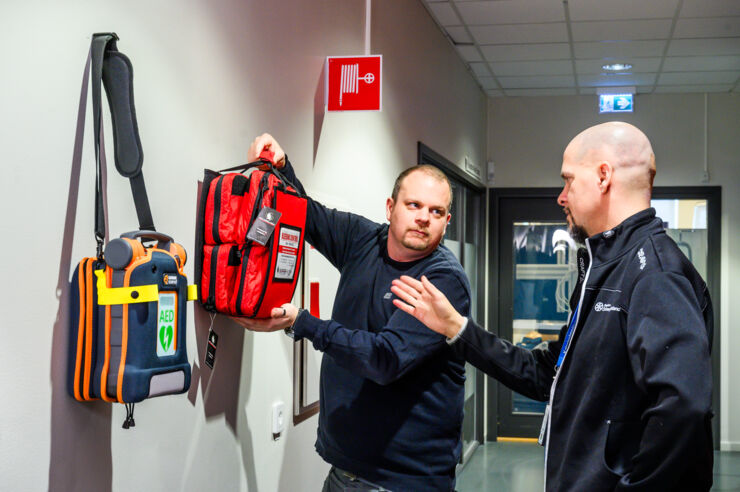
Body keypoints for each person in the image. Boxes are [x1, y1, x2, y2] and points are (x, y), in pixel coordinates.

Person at [391, 122, 714, 491]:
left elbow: (684, 408)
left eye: (568, 180)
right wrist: (457, 329)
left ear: (603, 176)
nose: (562, 197)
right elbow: (548, 374)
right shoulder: (606, 267)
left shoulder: (653, 274)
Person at [233, 134, 471, 492]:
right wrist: (280, 166)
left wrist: (303, 322)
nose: (424, 218)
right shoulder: (363, 240)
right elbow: (307, 215)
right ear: (391, 207)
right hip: (346, 471)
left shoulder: (442, 281)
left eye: (436, 212)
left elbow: (384, 359)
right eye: (414, 205)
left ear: (446, 220)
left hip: (405, 481)